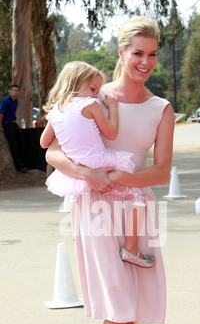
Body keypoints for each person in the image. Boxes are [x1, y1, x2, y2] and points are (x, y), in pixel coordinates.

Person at [45, 16, 175, 324]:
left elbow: (160, 172)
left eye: (152, 54)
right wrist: (87, 173)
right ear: (121, 52)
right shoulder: (91, 95)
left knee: (132, 315)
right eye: (138, 53)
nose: (146, 62)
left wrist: (117, 179)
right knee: (118, 305)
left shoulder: (162, 109)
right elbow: (53, 151)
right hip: (96, 207)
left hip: (136, 206)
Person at [40, 61, 154, 268]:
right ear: (75, 82)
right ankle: (130, 247)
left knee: (75, 196)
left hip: (76, 168)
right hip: (100, 161)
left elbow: (43, 143)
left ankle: (77, 238)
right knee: (139, 196)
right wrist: (112, 107)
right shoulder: (89, 105)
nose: (95, 95)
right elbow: (111, 132)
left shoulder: (55, 111)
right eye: (93, 89)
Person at [0, 84, 27, 172]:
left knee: (21, 141)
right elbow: (1, 114)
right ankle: (19, 166)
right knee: (14, 145)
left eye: (17, 90)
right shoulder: (6, 101)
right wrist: (0, 125)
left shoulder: (15, 101)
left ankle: (23, 163)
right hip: (6, 124)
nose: (15, 92)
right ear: (10, 91)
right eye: (13, 90)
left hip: (14, 123)